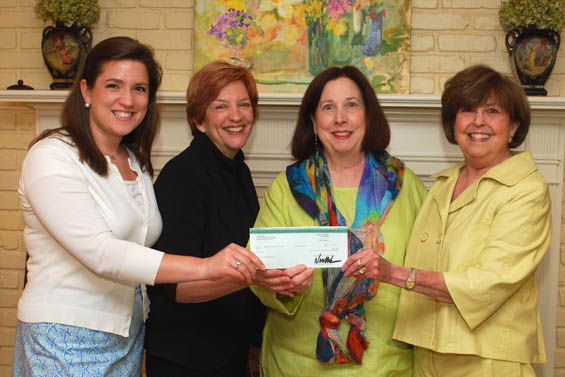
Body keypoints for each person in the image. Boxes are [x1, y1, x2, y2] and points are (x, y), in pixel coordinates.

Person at [11, 37, 265, 377]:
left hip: (126, 337)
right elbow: (103, 253)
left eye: (140, 89)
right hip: (64, 336)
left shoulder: (135, 163)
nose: (128, 100)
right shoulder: (52, 155)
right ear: (86, 92)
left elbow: (142, 247)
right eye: (114, 85)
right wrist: (208, 267)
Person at [342, 64, 551, 376]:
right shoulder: (442, 185)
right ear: (453, 122)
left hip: (487, 361)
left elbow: (488, 282)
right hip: (425, 354)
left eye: (493, 110)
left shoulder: (527, 191)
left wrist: (395, 273)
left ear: (514, 126)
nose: (478, 121)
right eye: (467, 109)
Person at [250, 65, 427, 376]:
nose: (340, 118)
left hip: (384, 364)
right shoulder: (288, 186)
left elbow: (429, 267)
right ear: (313, 121)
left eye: (351, 105)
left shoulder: (404, 185)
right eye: (328, 107)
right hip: (296, 363)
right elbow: (258, 269)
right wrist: (279, 282)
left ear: (368, 116)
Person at [144, 61, 290, 377]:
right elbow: (178, 288)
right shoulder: (182, 175)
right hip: (187, 359)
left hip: (229, 352)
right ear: (198, 120)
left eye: (244, 105)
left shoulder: (239, 171)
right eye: (220, 106)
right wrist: (253, 277)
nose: (235, 116)